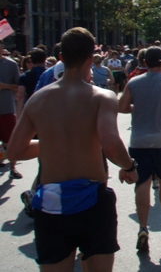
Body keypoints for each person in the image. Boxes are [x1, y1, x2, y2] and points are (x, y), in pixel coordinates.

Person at [7, 27, 138, 272]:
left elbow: (14, 151)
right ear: (91, 57)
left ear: (61, 58)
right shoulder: (102, 96)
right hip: (93, 199)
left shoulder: (38, 99)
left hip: (51, 202)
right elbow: (110, 143)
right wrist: (130, 166)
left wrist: (55, 142)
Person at [118, 46, 161, 251]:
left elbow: (122, 107)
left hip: (138, 140)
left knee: (142, 182)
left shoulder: (134, 82)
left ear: (144, 62)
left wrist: (138, 107)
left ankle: (143, 226)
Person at [0, 39, 22, 179]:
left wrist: (4, 86)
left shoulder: (11, 64)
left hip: (6, 107)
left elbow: (18, 87)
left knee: (10, 139)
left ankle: (13, 167)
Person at [16, 48, 47, 119]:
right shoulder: (50, 74)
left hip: (31, 107)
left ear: (32, 61)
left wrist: (18, 117)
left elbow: (21, 96)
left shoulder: (24, 76)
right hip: (48, 108)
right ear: (45, 59)